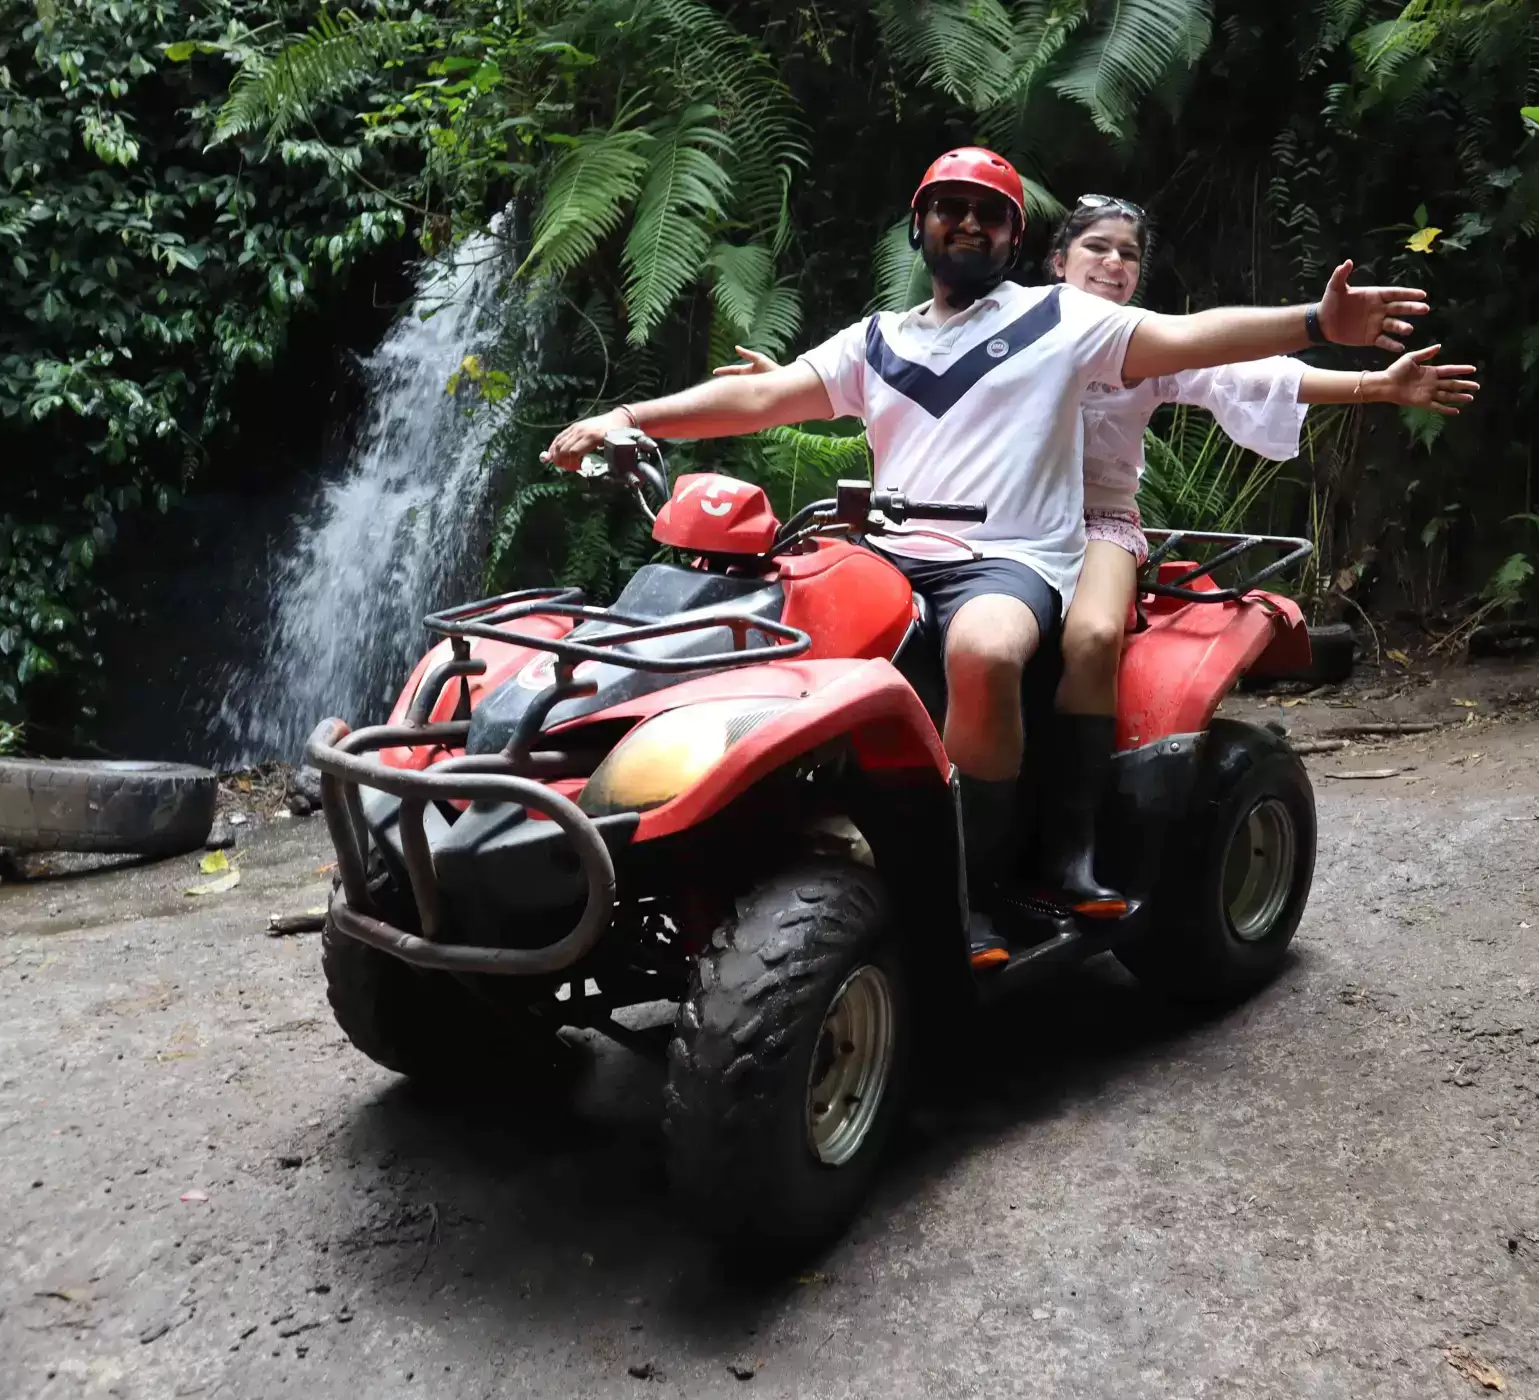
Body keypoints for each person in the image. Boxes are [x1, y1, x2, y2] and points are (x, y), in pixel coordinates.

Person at [544, 146, 1434, 968]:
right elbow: (762, 399)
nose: (968, 223)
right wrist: (629, 417)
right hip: (885, 553)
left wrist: (1316, 321)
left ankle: (978, 887)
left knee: (986, 648)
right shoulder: (875, 340)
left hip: (1011, 558)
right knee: (770, 639)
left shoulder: (1064, 319)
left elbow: (1194, 341)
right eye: (951, 208)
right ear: (920, 226)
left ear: (1015, 238)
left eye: (990, 213)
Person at [1034, 195, 1480, 911]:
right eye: (1097, 248)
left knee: (1089, 637)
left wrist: (1378, 386)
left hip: (1098, 522)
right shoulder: (1013, 326)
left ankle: (1070, 846)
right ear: (1059, 261)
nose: (1114, 263)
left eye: (1129, 254)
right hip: (1000, 523)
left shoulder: (1149, 346)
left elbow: (1248, 374)